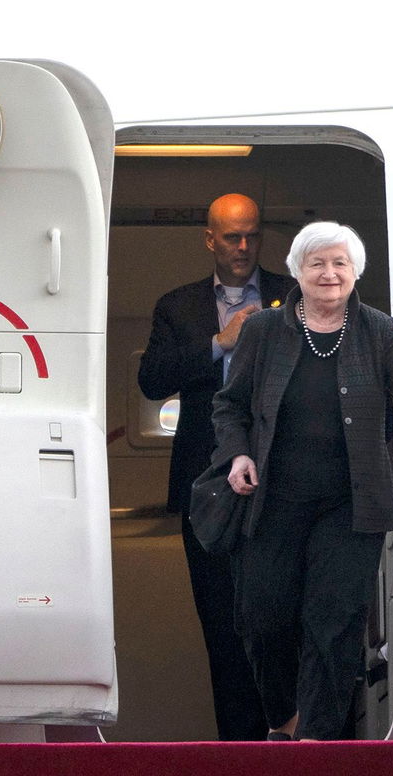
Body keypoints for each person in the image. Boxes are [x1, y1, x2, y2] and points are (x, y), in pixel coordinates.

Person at [212, 221, 393, 741]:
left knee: (332, 624)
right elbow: (227, 405)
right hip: (272, 503)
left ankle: (316, 740)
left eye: (340, 263)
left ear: (355, 272)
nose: (329, 273)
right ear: (298, 271)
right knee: (264, 621)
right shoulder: (263, 331)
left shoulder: (376, 330)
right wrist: (238, 455)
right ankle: (284, 722)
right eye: (317, 263)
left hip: (350, 507)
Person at [137, 193, 295, 740]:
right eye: (231, 237)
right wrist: (218, 343)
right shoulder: (177, 306)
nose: (243, 247)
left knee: (280, 620)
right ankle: (239, 752)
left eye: (252, 234)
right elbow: (152, 380)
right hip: (205, 487)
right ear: (210, 239)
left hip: (283, 482)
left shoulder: (292, 295)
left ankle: (290, 745)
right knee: (222, 628)